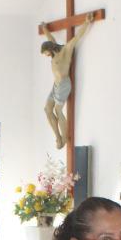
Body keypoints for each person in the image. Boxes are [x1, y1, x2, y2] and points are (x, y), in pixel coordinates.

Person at [39, 17, 94, 150]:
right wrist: (45, 28)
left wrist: (86, 22)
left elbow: (77, 37)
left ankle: (64, 138)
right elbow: (50, 37)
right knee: (47, 109)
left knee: (58, 110)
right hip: (55, 85)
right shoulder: (53, 52)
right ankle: (57, 136)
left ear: (50, 50)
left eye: (46, 53)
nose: (47, 56)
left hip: (64, 84)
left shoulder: (65, 51)